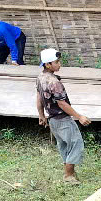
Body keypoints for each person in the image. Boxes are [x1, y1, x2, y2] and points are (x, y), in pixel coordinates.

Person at [36, 48, 91, 184]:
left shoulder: (40, 78)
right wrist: (79, 116)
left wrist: (41, 115)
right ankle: (69, 176)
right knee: (75, 144)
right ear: (48, 64)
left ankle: (69, 173)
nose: (59, 64)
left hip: (52, 119)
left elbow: (39, 98)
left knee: (64, 145)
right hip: (62, 119)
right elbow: (62, 104)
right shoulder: (54, 82)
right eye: (57, 62)